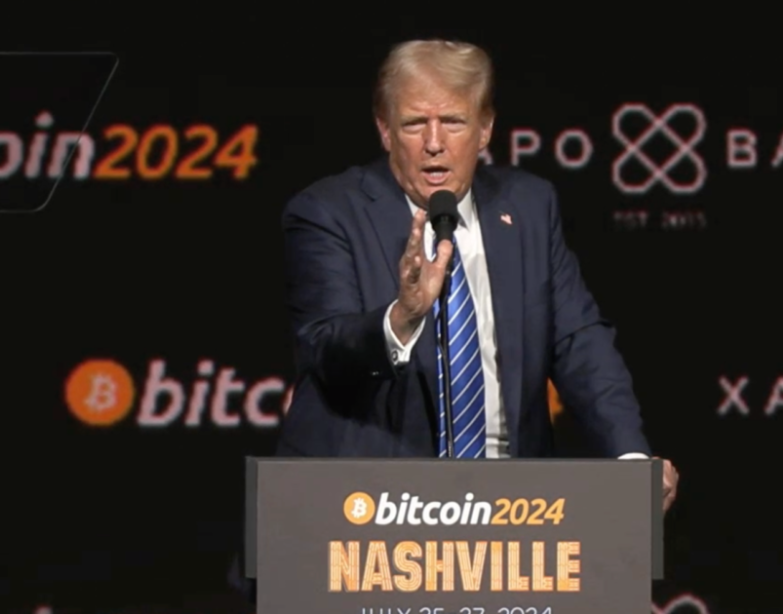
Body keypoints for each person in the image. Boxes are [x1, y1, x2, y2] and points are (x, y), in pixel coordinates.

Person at [275, 39, 679, 510]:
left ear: (485, 129)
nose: (433, 143)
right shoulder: (327, 212)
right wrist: (401, 319)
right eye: (414, 124)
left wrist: (630, 459)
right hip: (368, 503)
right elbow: (325, 348)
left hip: (508, 504)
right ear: (385, 130)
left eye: (453, 122)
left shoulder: (528, 206)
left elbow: (579, 341)